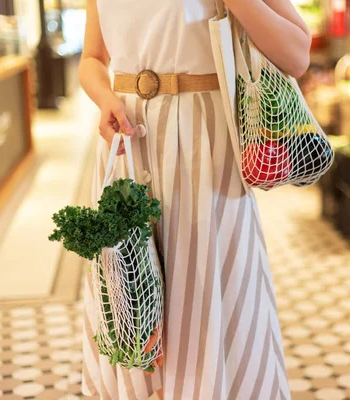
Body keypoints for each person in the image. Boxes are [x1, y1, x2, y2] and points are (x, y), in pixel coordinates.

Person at [78, 0, 311, 399]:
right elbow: (92, 59)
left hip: (204, 147)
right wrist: (104, 98)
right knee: (129, 291)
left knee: (208, 293)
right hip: (127, 146)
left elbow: (297, 52)